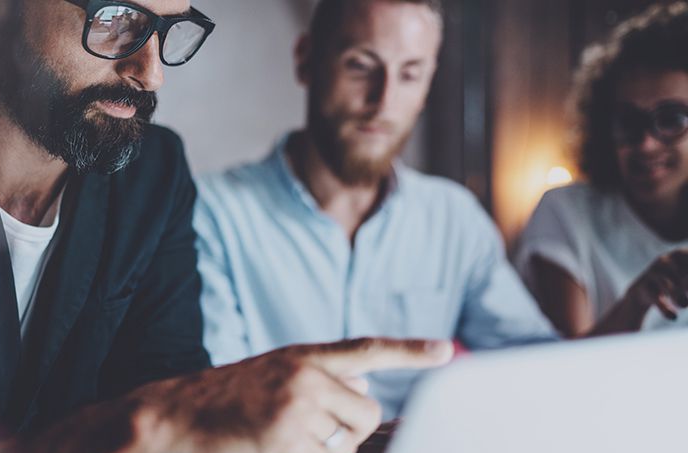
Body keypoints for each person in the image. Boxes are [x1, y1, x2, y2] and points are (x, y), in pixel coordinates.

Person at [0, 0, 453, 453]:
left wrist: (323, 447)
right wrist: (160, 423)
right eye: (115, 19)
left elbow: (171, 396)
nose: (152, 73)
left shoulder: (152, 175)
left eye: (167, 28)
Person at [194, 0, 557, 421]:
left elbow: (537, 365)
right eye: (361, 66)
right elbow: (213, 399)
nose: (384, 101)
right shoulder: (213, 213)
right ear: (306, 61)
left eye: (409, 74)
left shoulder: (454, 219)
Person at [515, 2, 688, 338]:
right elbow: (568, 368)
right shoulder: (566, 214)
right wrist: (638, 301)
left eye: (671, 120)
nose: (646, 144)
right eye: (628, 122)